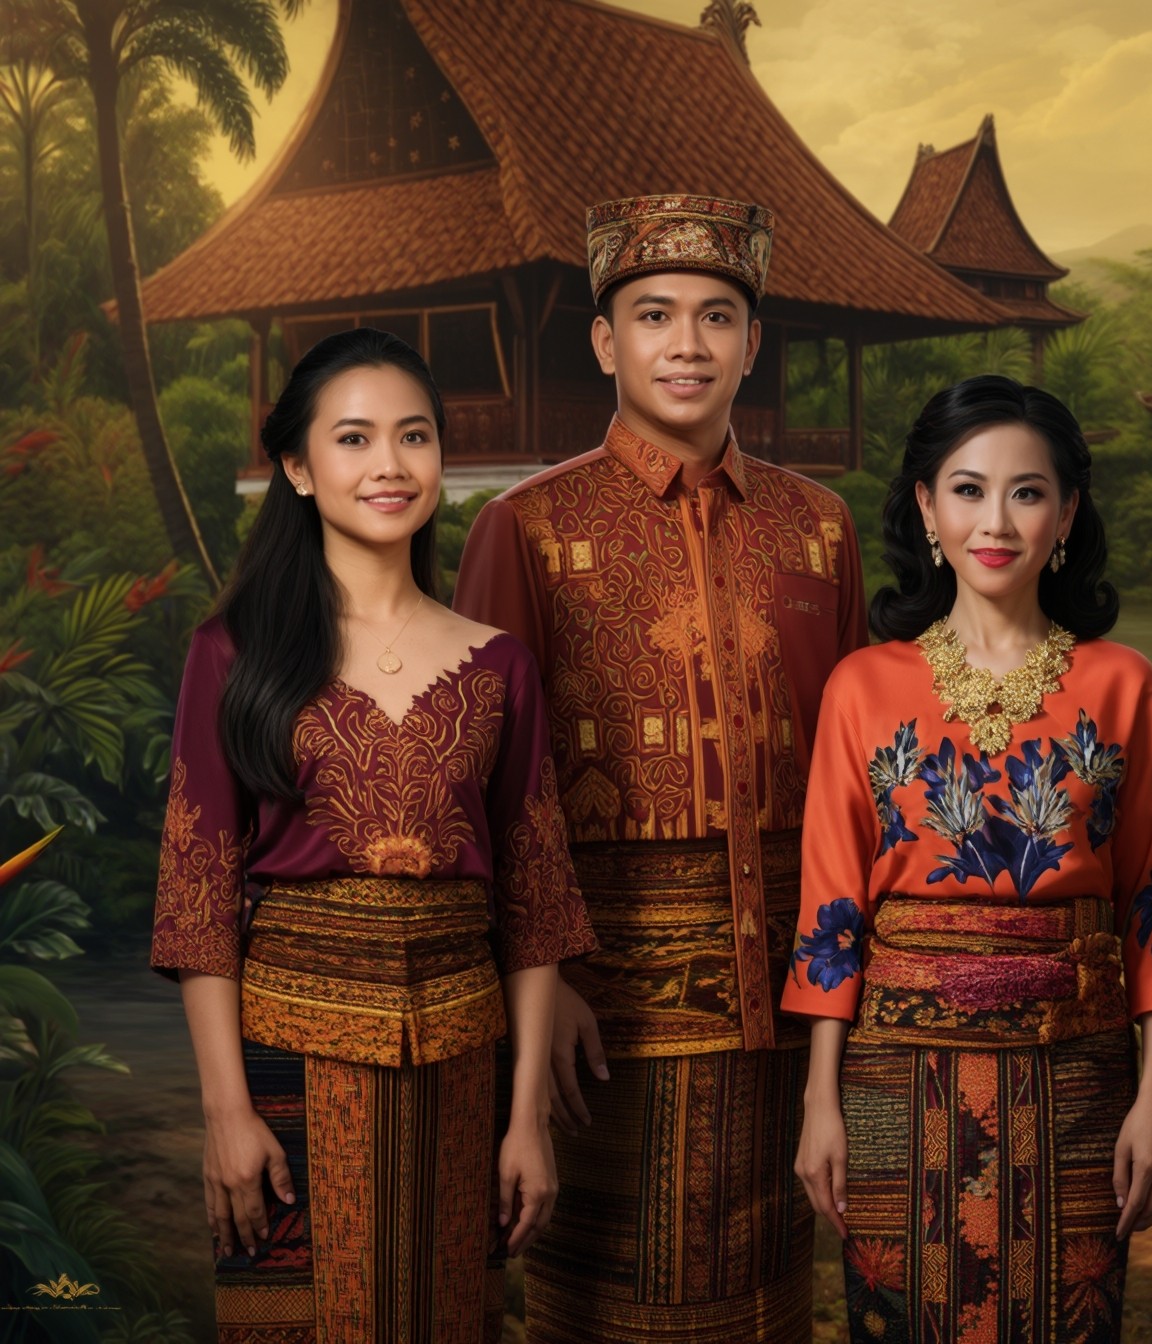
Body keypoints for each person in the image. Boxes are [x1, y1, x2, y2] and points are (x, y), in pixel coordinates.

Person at [453, 193, 867, 1343]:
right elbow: (487, 787)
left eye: (716, 317)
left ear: (751, 342)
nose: (686, 344)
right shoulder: (526, 527)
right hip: (602, 1006)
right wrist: (547, 988)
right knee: (608, 1305)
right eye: (653, 316)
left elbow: (852, 771)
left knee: (767, 1303)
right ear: (604, 343)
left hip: (785, 994)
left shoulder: (818, 526)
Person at [151, 328, 596, 1343]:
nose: (389, 465)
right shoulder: (232, 653)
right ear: (299, 469)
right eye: (353, 440)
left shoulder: (499, 666)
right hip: (283, 1058)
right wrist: (225, 1114)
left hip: (462, 1064)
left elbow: (531, 914)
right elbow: (198, 901)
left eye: (414, 436)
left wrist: (525, 1118)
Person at [785, 375, 1152, 1343]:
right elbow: (829, 909)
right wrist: (819, 1100)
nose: (996, 520)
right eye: (967, 489)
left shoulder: (1121, 685)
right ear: (926, 507)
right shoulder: (863, 686)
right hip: (892, 1080)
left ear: (1066, 512)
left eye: (1027, 491)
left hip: (1080, 1086)